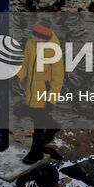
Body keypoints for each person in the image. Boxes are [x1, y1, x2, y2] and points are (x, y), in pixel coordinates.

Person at [19, 22, 64, 165]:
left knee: (38, 123)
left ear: (48, 35)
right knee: (35, 115)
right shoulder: (30, 44)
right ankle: (53, 125)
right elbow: (25, 64)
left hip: (44, 93)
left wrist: (51, 99)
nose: (38, 40)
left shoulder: (54, 50)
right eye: (36, 36)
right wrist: (17, 76)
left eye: (41, 38)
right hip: (31, 90)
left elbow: (58, 77)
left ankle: (36, 152)